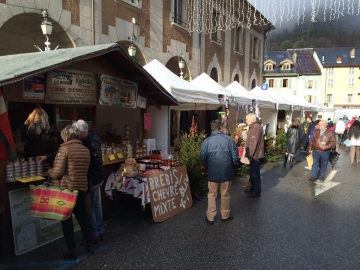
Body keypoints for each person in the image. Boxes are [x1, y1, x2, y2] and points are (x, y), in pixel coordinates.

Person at [48, 125, 94, 260]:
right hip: (80, 189)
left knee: (66, 221)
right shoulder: (86, 150)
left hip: (67, 190)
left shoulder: (64, 149)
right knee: (83, 218)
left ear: (66, 136)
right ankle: (90, 244)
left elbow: (57, 173)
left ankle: (72, 251)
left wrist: (50, 171)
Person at [200, 120, 239, 225]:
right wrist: (233, 165)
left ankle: (210, 217)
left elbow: (202, 157)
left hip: (212, 171)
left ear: (212, 129)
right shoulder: (229, 140)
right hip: (226, 171)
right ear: (221, 128)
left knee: (212, 194)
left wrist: (208, 166)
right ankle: (225, 215)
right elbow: (235, 156)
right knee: (225, 194)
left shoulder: (206, 141)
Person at [73, 120, 104, 244]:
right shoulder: (91, 139)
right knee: (96, 206)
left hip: (92, 180)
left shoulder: (91, 142)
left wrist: (89, 179)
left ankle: (93, 234)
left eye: (77, 132)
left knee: (89, 207)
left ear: (82, 132)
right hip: (97, 179)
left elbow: (95, 164)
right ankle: (99, 231)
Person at [244, 113, 264, 198]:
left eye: (247, 119)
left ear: (252, 119)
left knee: (255, 173)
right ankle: (253, 189)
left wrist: (249, 154)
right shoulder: (255, 126)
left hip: (254, 154)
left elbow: (253, 142)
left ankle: (256, 191)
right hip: (255, 154)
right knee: (253, 173)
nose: (246, 121)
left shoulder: (255, 127)